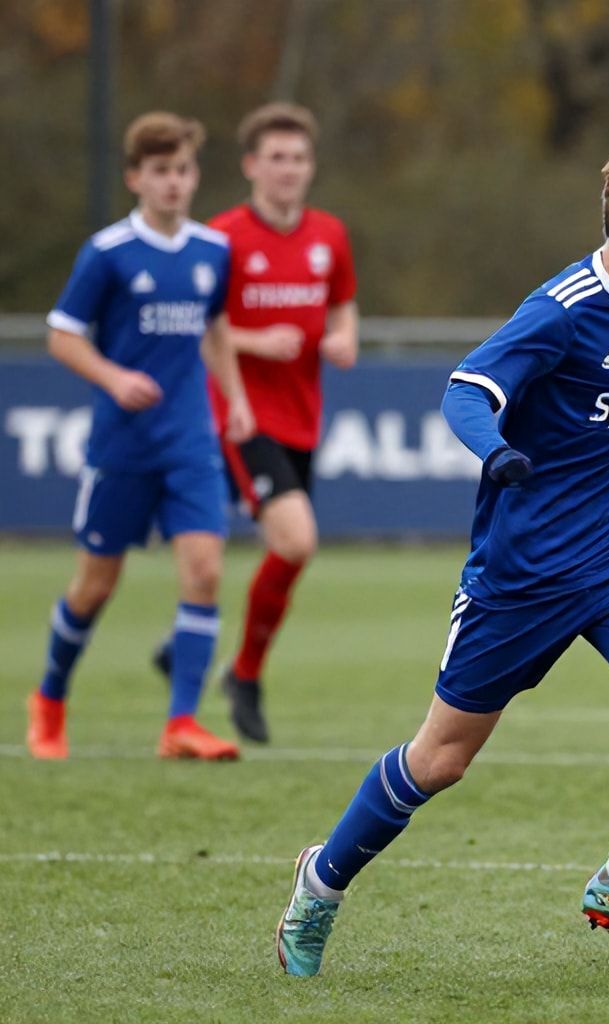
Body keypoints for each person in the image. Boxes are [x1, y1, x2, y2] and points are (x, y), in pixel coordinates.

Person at [275, 134, 609, 977]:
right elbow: (467, 389)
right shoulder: (559, 310)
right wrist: (495, 453)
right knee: (440, 760)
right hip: (521, 578)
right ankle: (321, 882)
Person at [26, 112, 255, 762]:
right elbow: (62, 334)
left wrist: (234, 399)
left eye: (182, 170)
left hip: (191, 440)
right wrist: (113, 376)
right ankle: (48, 700)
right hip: (123, 445)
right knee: (95, 585)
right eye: (160, 172)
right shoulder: (107, 254)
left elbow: (215, 329)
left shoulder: (213, 251)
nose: (174, 183)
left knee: (205, 572)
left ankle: (181, 722)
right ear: (136, 178)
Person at [156, 102, 359, 744]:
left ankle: (187, 647)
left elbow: (343, 308)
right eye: (275, 158)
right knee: (297, 540)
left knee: (279, 550)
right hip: (239, 414)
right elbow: (199, 328)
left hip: (302, 418)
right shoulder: (222, 239)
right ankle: (242, 674)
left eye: (298, 158)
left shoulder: (329, 235)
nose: (287, 170)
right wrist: (250, 341)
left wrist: (343, 339)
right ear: (250, 166)